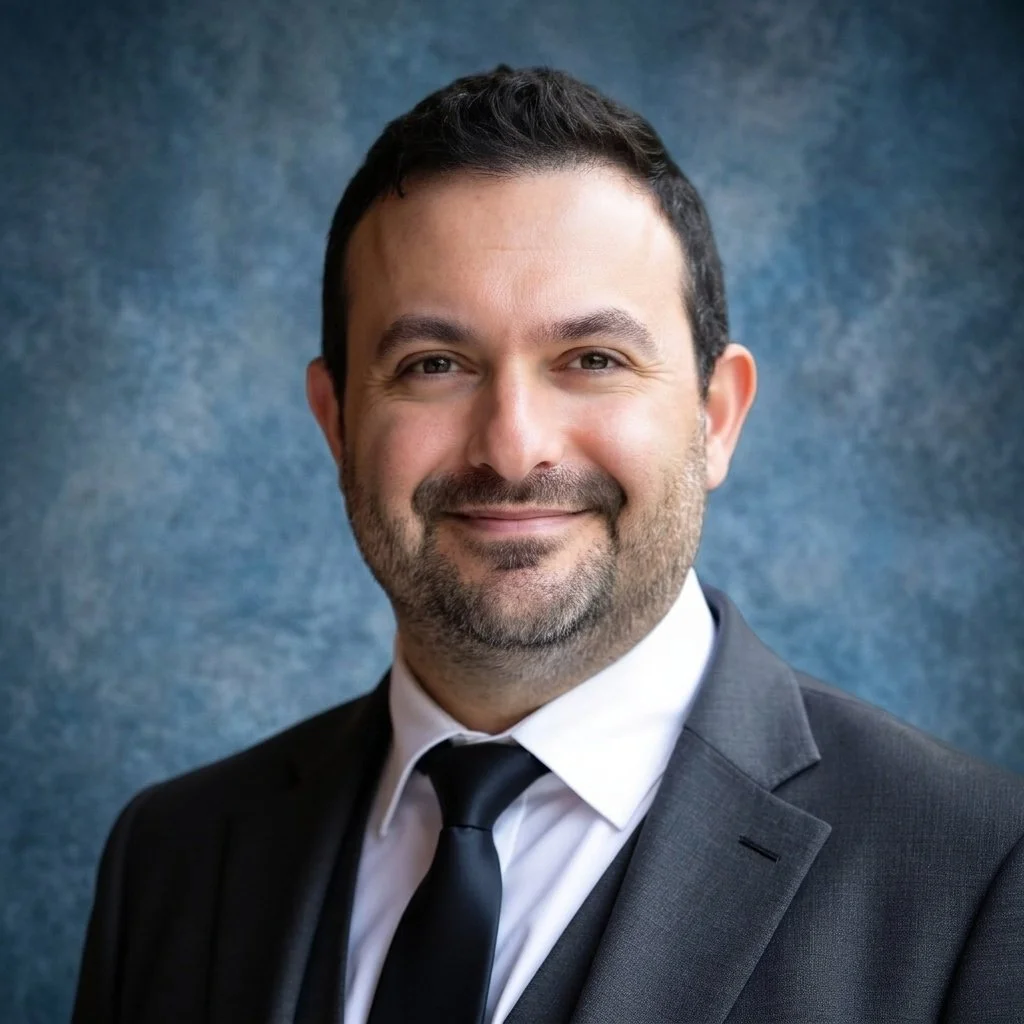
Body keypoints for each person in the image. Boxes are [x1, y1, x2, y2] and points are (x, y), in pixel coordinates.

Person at [72, 65, 1024, 1024]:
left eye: (593, 361)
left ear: (717, 418)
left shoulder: (980, 872)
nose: (513, 446)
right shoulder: (175, 856)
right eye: (434, 365)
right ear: (337, 421)